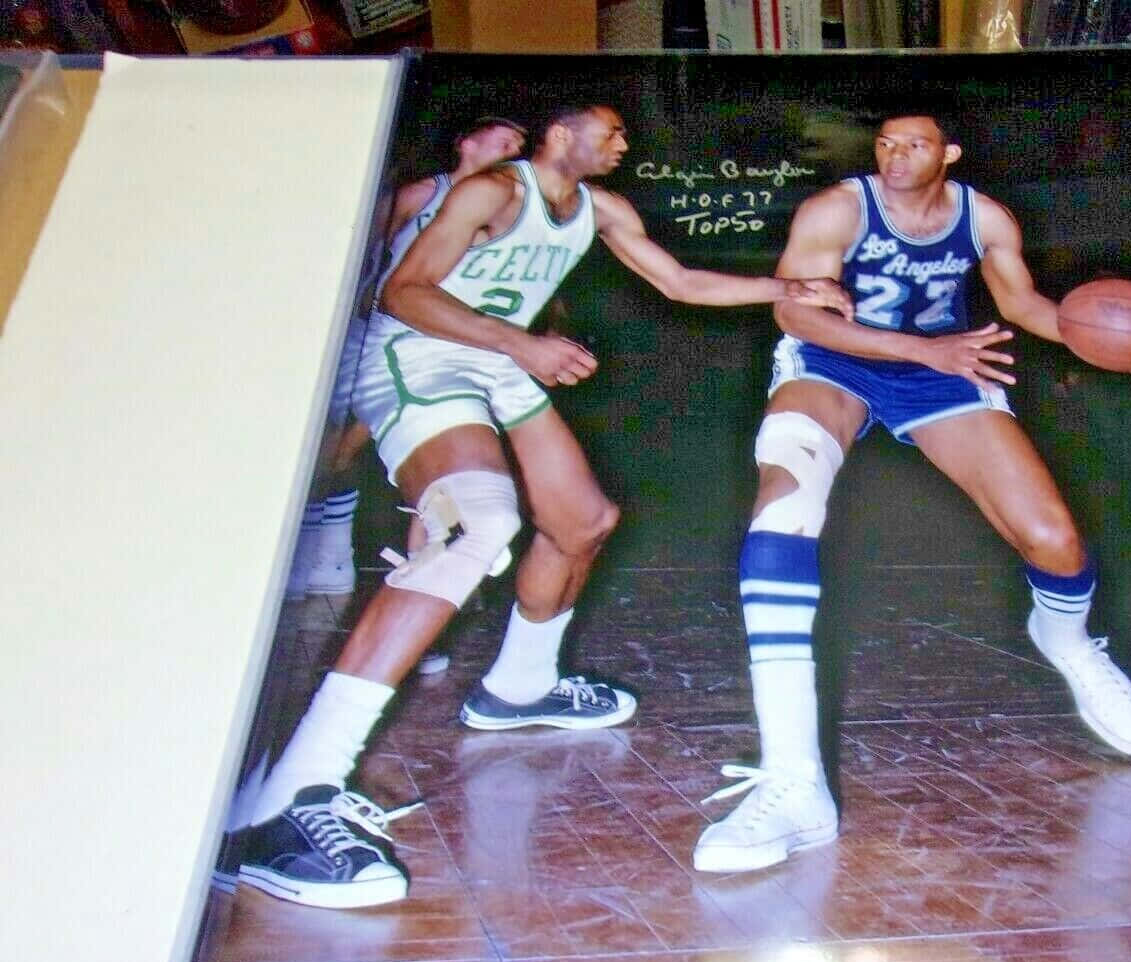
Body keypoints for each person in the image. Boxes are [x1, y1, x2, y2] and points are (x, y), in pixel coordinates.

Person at [228, 103, 852, 910]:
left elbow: (679, 282)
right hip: (420, 355)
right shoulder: (491, 193)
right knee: (477, 524)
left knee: (582, 521)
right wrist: (524, 344)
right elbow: (403, 293)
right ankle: (285, 801)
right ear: (562, 134)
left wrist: (786, 286)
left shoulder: (602, 209)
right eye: (610, 130)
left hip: (494, 362)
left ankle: (521, 687)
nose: (623, 143)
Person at [694, 113, 1131, 875]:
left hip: (941, 373)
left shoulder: (986, 219)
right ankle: (794, 783)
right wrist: (920, 348)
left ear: (949, 154)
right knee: (785, 510)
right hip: (835, 360)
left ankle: (1069, 641)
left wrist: (1095, 336)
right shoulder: (837, 209)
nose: (895, 155)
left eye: (914, 144)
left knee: (1053, 539)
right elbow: (795, 310)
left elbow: (1022, 305)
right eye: (885, 142)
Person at [289, 117, 531, 600]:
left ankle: (397, 570)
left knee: (379, 454)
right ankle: (325, 553)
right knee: (334, 449)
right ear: (466, 142)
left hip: (436, 350)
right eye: (505, 140)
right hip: (376, 336)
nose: (513, 151)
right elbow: (363, 252)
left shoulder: (506, 208)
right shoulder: (421, 195)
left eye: (519, 146)